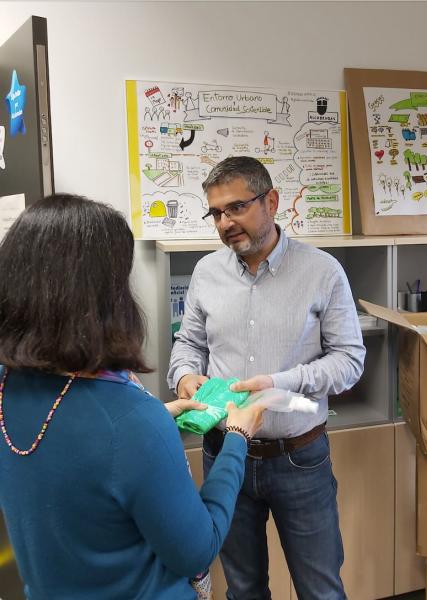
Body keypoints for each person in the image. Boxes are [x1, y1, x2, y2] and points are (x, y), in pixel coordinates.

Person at [0, 193, 265, 600]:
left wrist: (152, 418)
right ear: (101, 296)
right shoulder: (131, 420)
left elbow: (78, 459)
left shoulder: (8, 384)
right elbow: (197, 550)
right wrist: (236, 439)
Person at [168, 156, 366, 599]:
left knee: (320, 588)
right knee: (243, 589)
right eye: (216, 212)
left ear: (271, 201)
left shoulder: (322, 271)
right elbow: (188, 344)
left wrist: (282, 382)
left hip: (298, 456)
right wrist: (183, 375)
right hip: (224, 455)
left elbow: (350, 361)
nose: (225, 223)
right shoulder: (206, 272)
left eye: (236, 207)